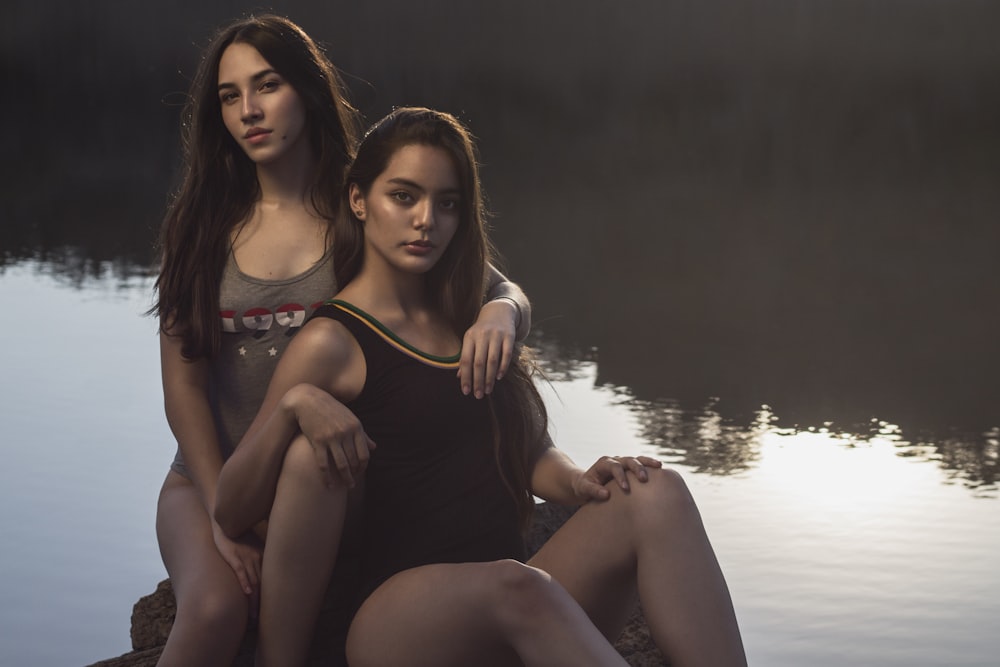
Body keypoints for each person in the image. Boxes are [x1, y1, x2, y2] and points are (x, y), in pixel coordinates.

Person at [215, 107, 747, 666]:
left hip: (506, 599)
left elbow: (525, 449)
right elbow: (231, 508)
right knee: (521, 586)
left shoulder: (470, 311)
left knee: (657, 492)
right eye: (403, 196)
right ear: (358, 200)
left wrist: (577, 482)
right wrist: (294, 404)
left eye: (446, 203)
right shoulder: (333, 341)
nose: (427, 220)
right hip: (394, 622)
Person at [149, 16, 531, 667]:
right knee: (214, 610)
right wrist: (221, 515)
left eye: (267, 85)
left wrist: (502, 314)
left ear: (306, 89)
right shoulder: (202, 228)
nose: (250, 110)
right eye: (230, 95)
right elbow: (183, 384)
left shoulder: (362, 213)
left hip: (329, 480)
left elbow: (495, 284)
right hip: (211, 480)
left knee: (315, 476)